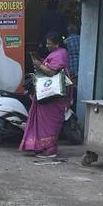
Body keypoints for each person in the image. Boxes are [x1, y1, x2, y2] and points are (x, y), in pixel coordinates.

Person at [20, 31, 70, 159]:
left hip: (54, 97)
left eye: (50, 43)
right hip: (46, 95)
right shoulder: (54, 54)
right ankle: (41, 146)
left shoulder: (61, 53)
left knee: (51, 123)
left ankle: (51, 148)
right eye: (47, 43)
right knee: (42, 123)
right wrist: (40, 63)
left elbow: (52, 72)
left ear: (57, 43)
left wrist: (40, 65)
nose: (47, 46)